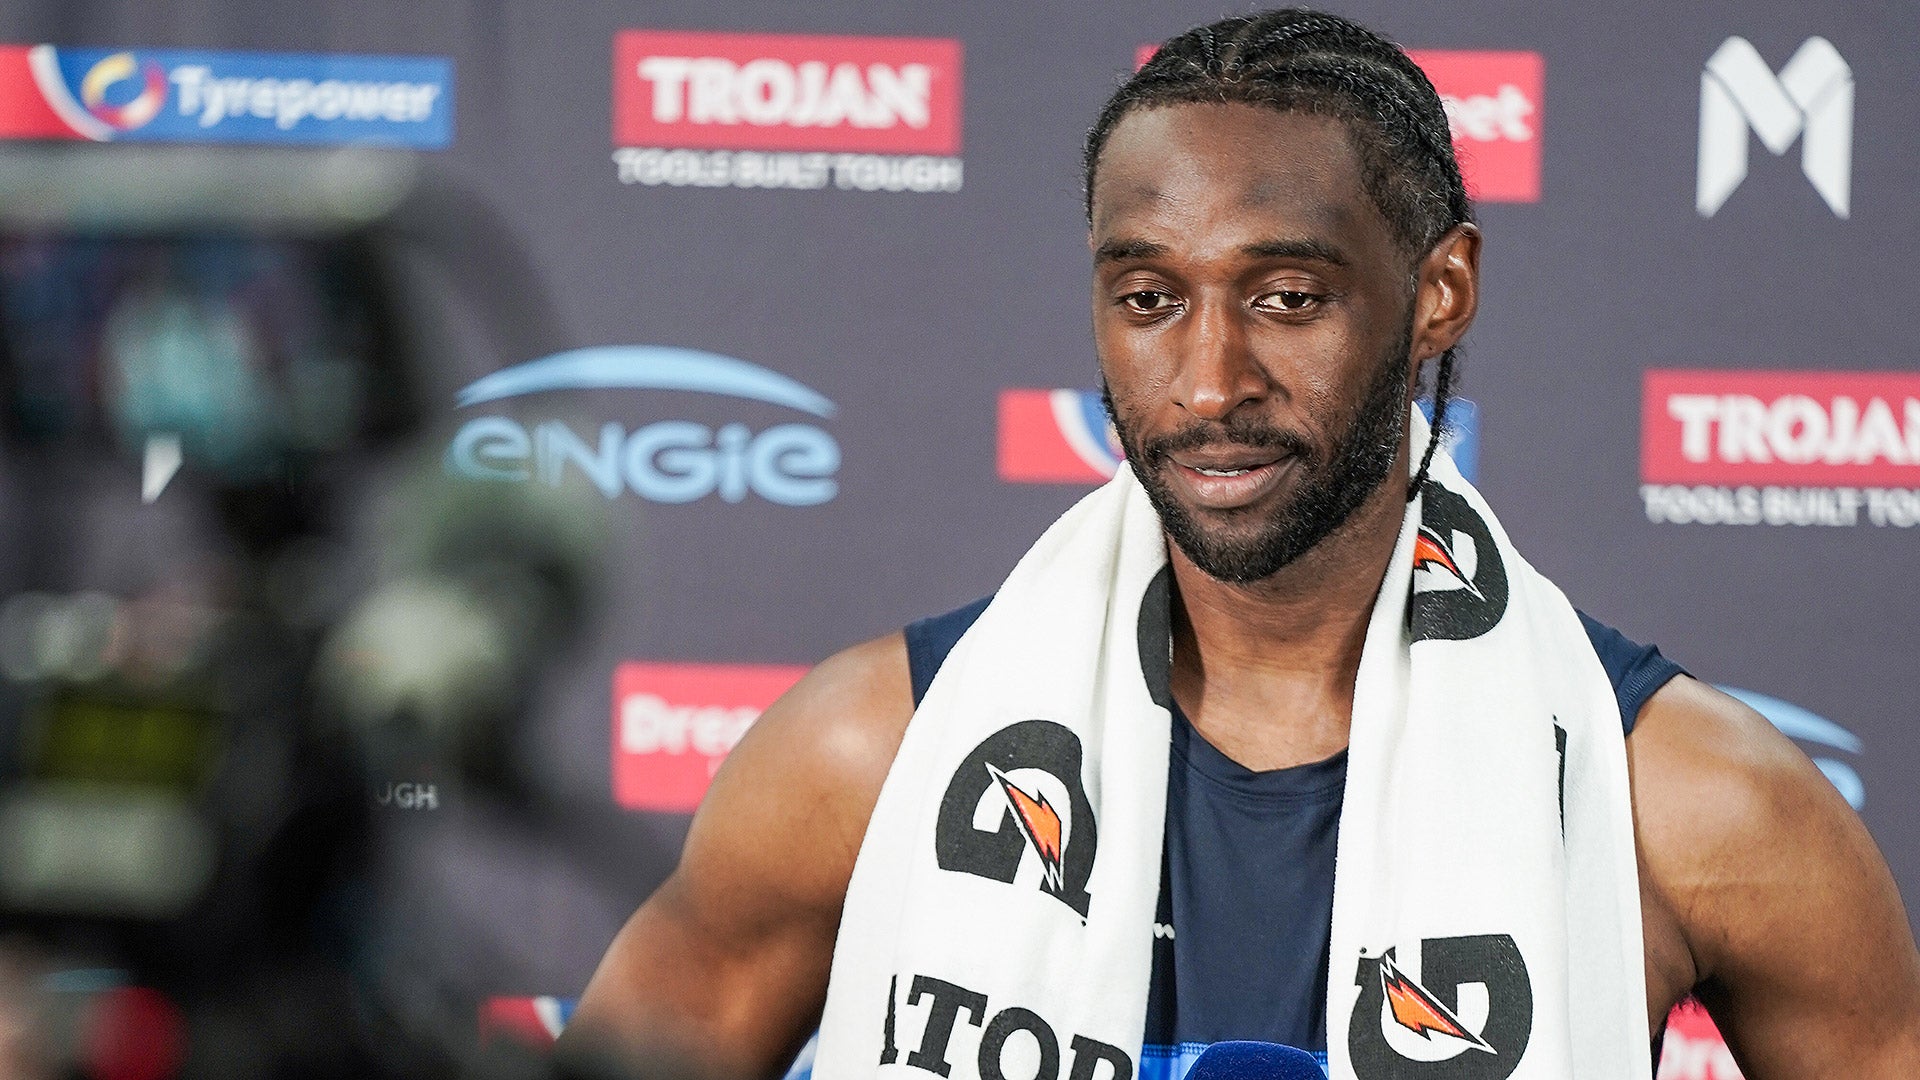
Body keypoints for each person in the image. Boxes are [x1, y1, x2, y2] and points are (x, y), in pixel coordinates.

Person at [563, 10, 1920, 1079]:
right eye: (1151, 298)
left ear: (1439, 292)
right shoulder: (867, 755)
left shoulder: (1686, 804)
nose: (1210, 383)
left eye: (1287, 297)